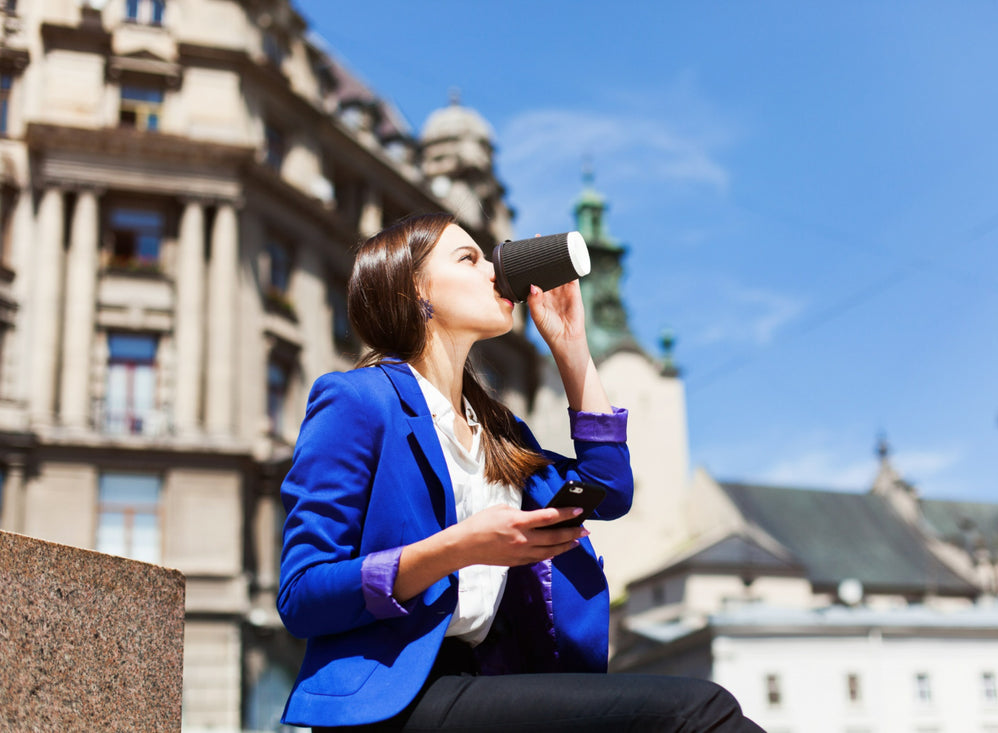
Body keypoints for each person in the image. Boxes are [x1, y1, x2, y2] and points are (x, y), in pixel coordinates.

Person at [277, 213, 766, 732]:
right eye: (469, 258)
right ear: (413, 290)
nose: (494, 270)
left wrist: (571, 348)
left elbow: (608, 491)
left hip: (492, 679)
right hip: (394, 696)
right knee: (697, 712)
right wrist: (460, 547)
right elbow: (303, 594)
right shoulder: (357, 400)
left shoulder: (496, 428)